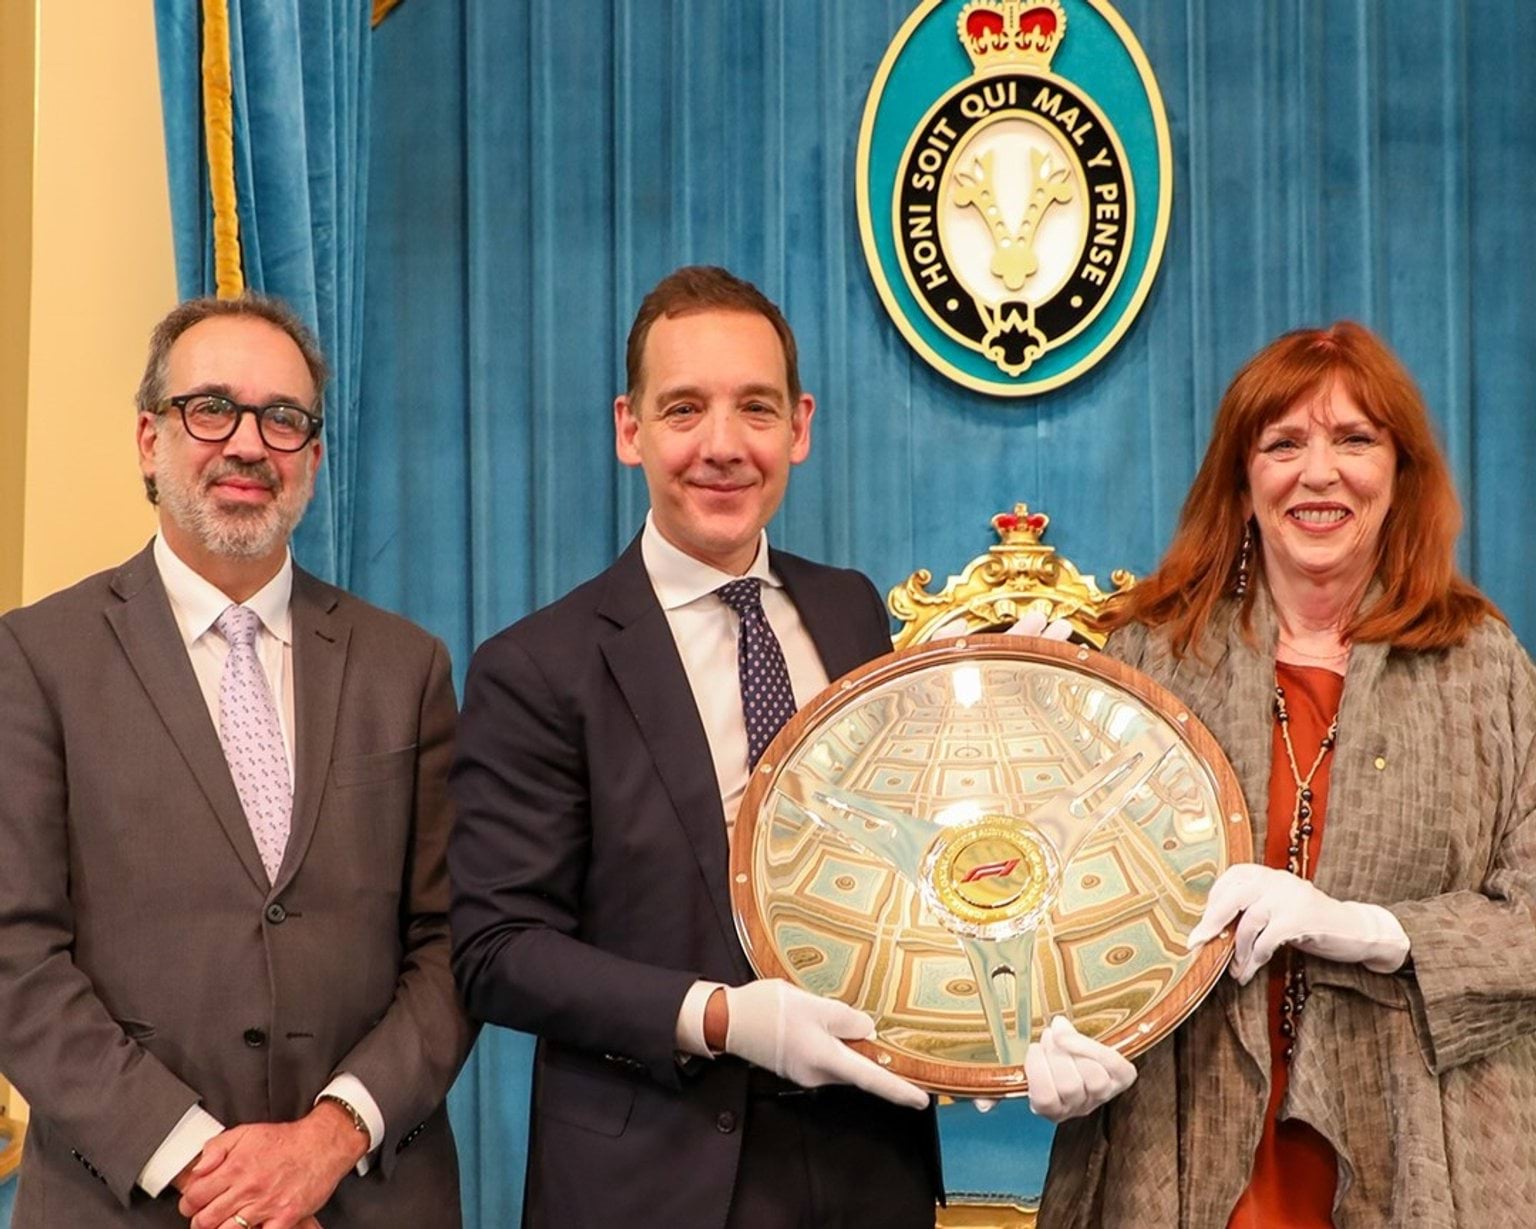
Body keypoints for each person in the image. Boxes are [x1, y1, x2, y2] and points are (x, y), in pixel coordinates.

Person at [448, 265, 942, 1227]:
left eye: (755, 408)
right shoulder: (536, 665)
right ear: (629, 429)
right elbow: (498, 949)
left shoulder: (851, 610)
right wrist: (719, 1016)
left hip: (867, 1167)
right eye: (684, 409)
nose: (723, 445)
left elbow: (902, 863)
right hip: (653, 1182)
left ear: (799, 426)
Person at [1030, 322, 1536, 1226]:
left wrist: (1379, 931)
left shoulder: (1483, 664)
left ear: (1401, 472)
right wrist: (1051, 1032)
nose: (1319, 472)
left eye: (1355, 439)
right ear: (1242, 480)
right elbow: (1063, 906)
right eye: (1284, 443)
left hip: (1427, 1156)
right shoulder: (1145, 658)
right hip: (1176, 1150)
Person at [0, 295, 474, 1229]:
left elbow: (455, 940)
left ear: (315, 456)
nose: (249, 443)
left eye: (283, 418)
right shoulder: (35, 658)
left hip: (365, 1196)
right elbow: (15, 954)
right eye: (211, 408)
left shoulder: (407, 667)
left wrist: (329, 1138)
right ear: (150, 439)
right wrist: (205, 1168)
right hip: (125, 1201)